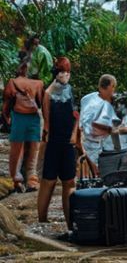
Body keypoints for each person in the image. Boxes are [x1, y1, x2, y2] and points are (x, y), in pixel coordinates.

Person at [38, 57, 78, 227]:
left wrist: (75, 135)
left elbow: (77, 115)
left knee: (69, 181)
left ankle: (71, 222)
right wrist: (44, 144)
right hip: (54, 140)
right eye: (62, 72)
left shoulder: (70, 91)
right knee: (49, 180)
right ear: (56, 73)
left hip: (68, 141)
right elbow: (46, 122)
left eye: (68, 72)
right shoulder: (48, 93)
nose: (65, 75)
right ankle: (42, 220)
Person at [2, 61, 45, 192]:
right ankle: (32, 180)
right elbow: (40, 102)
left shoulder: (12, 82)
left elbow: (6, 103)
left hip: (19, 117)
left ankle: (17, 180)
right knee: (33, 150)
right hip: (34, 119)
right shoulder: (39, 84)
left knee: (16, 151)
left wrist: (6, 117)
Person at [79, 74, 121, 175]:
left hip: (102, 146)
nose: (114, 91)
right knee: (91, 175)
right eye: (113, 87)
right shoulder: (90, 101)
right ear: (109, 87)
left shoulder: (88, 98)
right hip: (90, 144)